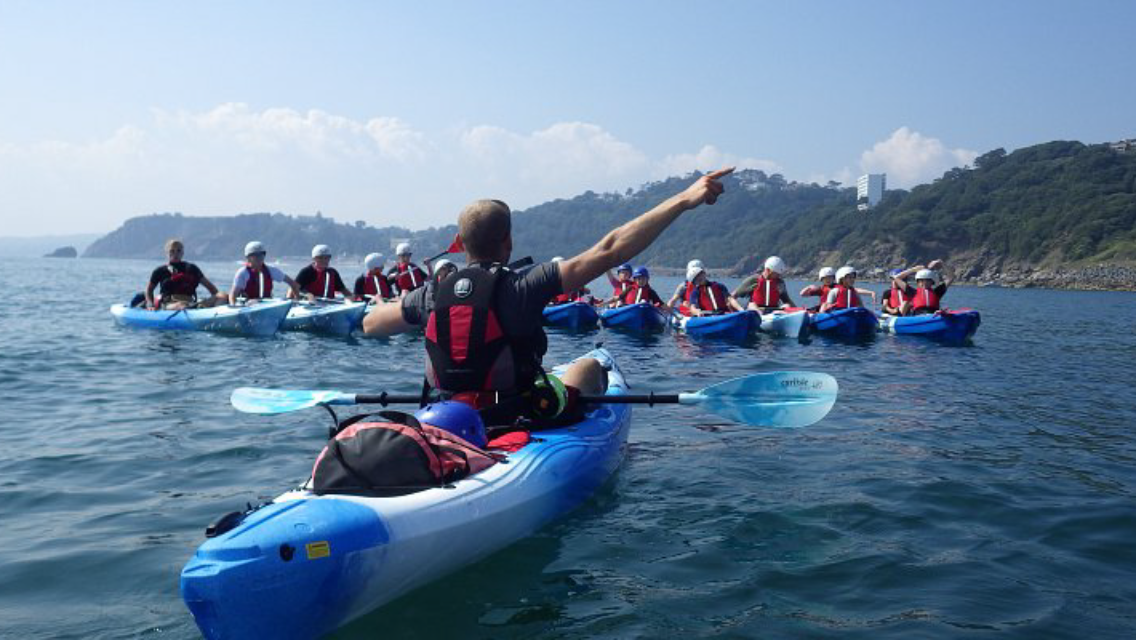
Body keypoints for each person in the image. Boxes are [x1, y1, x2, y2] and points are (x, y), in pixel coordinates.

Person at [363, 168, 733, 426]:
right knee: (591, 364)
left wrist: (397, 305)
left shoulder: (433, 293)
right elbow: (610, 250)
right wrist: (684, 199)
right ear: (508, 242)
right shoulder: (524, 285)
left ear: (460, 246)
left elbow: (371, 324)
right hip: (517, 413)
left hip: (446, 410)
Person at [144, 239, 227, 310]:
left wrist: (216, 301)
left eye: (178, 251)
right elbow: (149, 290)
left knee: (223, 295)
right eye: (172, 251)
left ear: (182, 253)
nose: (175, 254)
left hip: (191, 303)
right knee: (182, 305)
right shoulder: (160, 271)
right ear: (167, 253)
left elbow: (211, 288)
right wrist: (150, 304)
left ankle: (215, 315)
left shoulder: (192, 268)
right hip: (169, 304)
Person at [230, 241, 303, 302]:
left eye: (262, 254)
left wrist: (297, 301)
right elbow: (233, 294)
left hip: (266, 303)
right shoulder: (243, 273)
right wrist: (233, 307)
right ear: (248, 257)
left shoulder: (271, 270)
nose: (259, 258)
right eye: (255, 255)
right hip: (248, 305)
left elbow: (293, 284)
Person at [678, 263, 744, 316]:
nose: (698, 278)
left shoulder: (719, 286)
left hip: (723, 314)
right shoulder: (695, 292)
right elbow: (693, 307)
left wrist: (741, 309)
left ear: (704, 274)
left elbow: (730, 299)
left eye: (699, 275)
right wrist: (697, 312)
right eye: (695, 278)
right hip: (708, 316)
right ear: (694, 282)